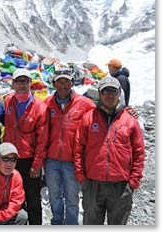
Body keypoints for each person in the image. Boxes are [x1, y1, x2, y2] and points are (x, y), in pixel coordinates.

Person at [74, 76, 145, 225]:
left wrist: (133, 182)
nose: (109, 95)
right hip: (93, 184)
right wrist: (82, 178)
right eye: (105, 91)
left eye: (113, 91)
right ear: (100, 94)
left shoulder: (130, 121)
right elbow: (78, 149)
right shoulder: (88, 118)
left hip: (121, 185)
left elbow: (139, 152)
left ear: (119, 93)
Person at [44, 67, 96, 225]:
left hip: (73, 160)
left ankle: (72, 225)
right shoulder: (47, 103)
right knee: (54, 195)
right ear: (53, 83)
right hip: (51, 159)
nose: (63, 85)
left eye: (66, 81)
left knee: (72, 196)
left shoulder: (85, 104)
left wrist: (126, 110)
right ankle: (57, 222)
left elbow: (103, 115)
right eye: (59, 82)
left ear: (72, 82)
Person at [3, 68, 49, 225]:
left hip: (29, 160)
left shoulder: (39, 107)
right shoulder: (8, 101)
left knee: (33, 199)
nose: (22, 85)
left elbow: (42, 140)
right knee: (15, 198)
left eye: (25, 81)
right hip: (10, 160)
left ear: (31, 83)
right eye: (18, 81)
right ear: (13, 83)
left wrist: (37, 165)